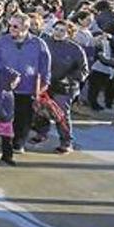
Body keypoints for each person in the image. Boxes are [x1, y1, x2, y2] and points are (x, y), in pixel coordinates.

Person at [0, 12, 51, 153]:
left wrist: (45, 82)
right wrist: (3, 77)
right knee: (1, 115)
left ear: (26, 27)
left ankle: (18, 143)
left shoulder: (38, 44)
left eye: (15, 26)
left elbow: (45, 64)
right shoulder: (1, 41)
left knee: (23, 118)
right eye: (10, 25)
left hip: (27, 87)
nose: (11, 28)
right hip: (5, 87)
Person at [33, 21, 88, 153]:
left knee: (61, 115)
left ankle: (66, 142)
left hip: (65, 87)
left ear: (69, 33)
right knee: (40, 111)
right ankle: (42, 133)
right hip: (44, 84)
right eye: (56, 29)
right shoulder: (44, 43)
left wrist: (68, 79)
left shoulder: (75, 49)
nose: (58, 32)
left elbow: (83, 71)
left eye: (62, 30)